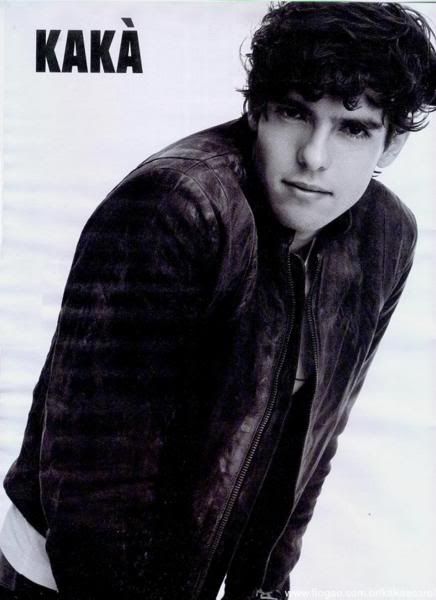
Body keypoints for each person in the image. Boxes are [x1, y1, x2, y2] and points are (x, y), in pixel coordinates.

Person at [1, 2, 435, 599]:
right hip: (64, 577)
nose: (314, 156)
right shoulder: (177, 207)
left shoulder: (384, 237)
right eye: (294, 112)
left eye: (353, 128)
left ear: (391, 144)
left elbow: (315, 442)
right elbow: (92, 480)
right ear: (256, 110)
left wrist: (267, 589)